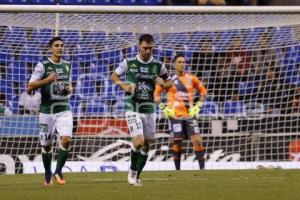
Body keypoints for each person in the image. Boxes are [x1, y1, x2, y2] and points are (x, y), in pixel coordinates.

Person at [111, 34, 172, 186]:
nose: (148, 51)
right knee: (138, 142)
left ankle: (137, 175)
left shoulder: (158, 65)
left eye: (151, 48)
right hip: (132, 106)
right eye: (145, 48)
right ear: (139, 47)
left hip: (149, 108)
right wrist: (124, 86)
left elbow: (169, 83)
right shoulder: (129, 62)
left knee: (148, 143)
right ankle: (132, 171)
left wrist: (163, 84)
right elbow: (114, 76)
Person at [27, 36, 73, 186]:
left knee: (66, 139)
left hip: (64, 109)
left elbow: (69, 84)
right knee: (46, 145)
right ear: (51, 48)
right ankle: (47, 173)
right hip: (47, 111)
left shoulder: (67, 65)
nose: (60, 48)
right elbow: (29, 87)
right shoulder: (43, 65)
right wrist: (47, 80)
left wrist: (69, 88)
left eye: (62, 45)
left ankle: (58, 171)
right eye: (57, 45)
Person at [154, 54, 207, 170]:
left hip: (190, 115)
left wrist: (198, 105)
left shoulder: (192, 78)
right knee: (177, 143)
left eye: (183, 62)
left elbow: (203, 92)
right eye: (179, 62)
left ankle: (203, 170)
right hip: (175, 116)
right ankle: (177, 171)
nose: (182, 64)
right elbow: (156, 95)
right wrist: (164, 108)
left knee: (197, 140)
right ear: (174, 64)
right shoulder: (168, 80)